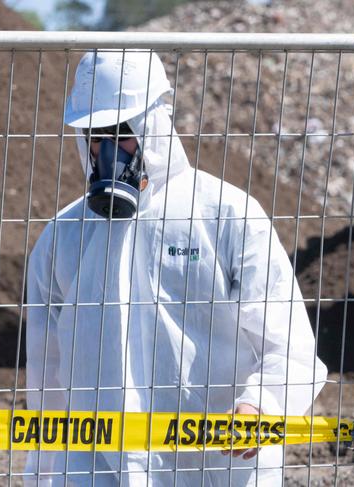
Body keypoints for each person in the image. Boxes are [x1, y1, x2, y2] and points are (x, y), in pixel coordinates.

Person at [25, 50, 327, 486]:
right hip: (98, 468)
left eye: (122, 134)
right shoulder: (65, 236)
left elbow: (288, 342)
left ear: (154, 126)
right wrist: (46, 473)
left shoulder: (226, 215)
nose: (107, 150)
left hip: (217, 467)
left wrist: (261, 405)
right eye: (95, 135)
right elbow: (48, 371)